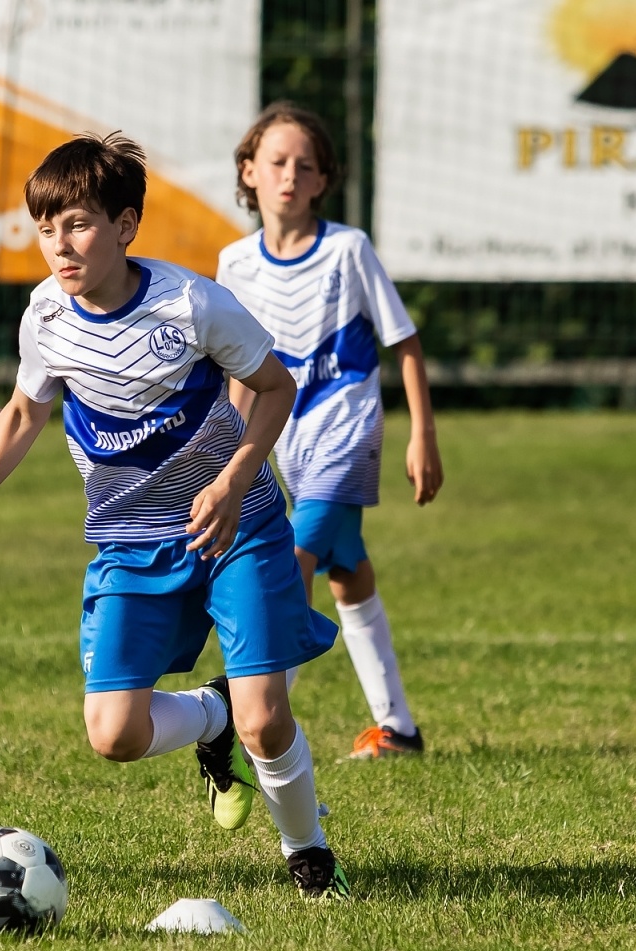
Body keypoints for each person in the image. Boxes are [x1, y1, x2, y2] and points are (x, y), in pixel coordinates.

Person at [0, 132, 352, 897]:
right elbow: (21, 413)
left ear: (125, 225)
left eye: (77, 224)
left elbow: (275, 390)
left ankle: (308, 855)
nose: (60, 246)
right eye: (45, 229)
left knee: (268, 719)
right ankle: (210, 717)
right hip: (129, 543)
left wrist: (234, 477)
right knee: (113, 734)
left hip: (234, 526)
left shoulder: (193, 305)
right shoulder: (46, 317)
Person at [217, 102, 443, 760]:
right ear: (249, 172)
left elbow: (403, 341)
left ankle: (246, 731)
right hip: (277, 441)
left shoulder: (349, 250)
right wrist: (230, 457)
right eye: (277, 162)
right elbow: (236, 369)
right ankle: (398, 727)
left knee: (289, 568)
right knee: (348, 573)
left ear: (323, 181)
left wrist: (422, 434)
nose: (290, 175)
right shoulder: (234, 263)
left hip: (346, 433)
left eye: (304, 165)